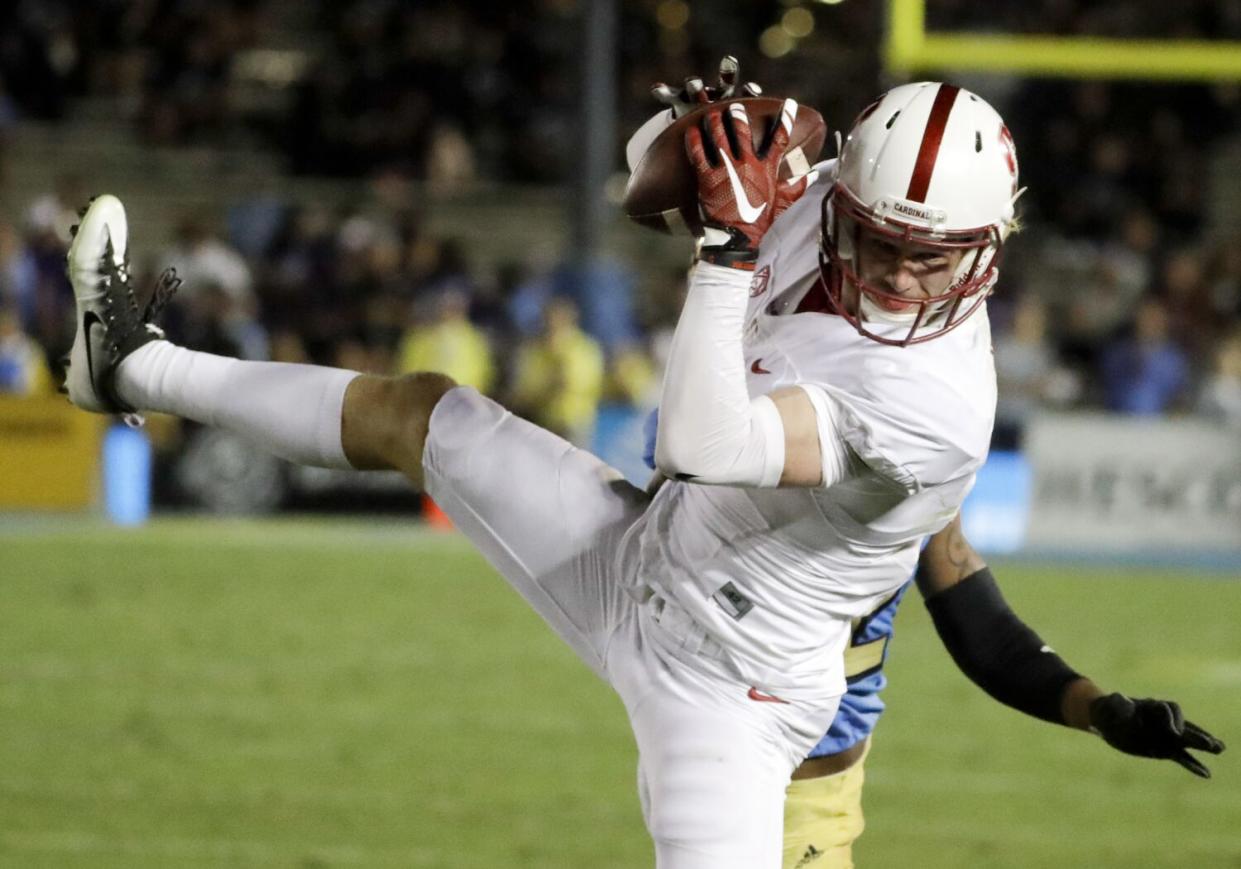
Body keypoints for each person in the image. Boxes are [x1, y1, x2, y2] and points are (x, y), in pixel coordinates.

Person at [61, 75, 1221, 869]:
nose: (889, 273)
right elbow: (644, 188)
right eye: (874, 236)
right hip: (635, 555)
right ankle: (128, 366)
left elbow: (700, 444)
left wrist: (727, 246)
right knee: (423, 412)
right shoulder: (827, 197)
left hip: (733, 695)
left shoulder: (939, 402)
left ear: (986, 250)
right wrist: (707, 140)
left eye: (927, 260)